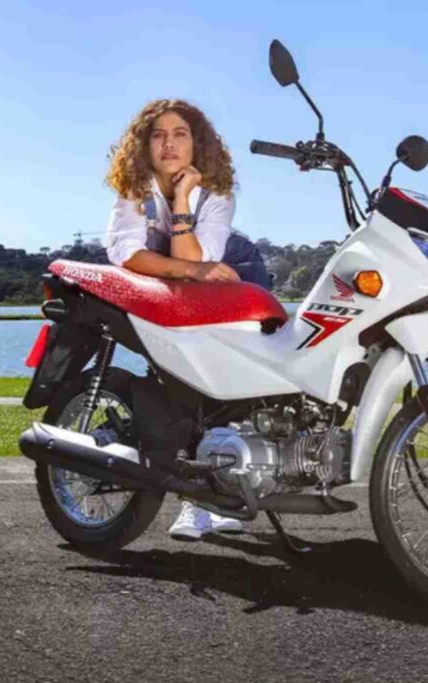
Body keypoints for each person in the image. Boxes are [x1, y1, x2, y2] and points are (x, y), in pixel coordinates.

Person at [104, 98, 265, 540]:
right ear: (144, 145)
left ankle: (228, 488)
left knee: (236, 380)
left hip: (231, 275)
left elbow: (203, 256)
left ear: (198, 144)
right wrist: (189, 265)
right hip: (177, 279)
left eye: (180, 134)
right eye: (158, 135)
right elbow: (127, 254)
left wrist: (181, 201)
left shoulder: (217, 193)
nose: (169, 144)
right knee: (179, 379)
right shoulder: (134, 189)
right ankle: (194, 501)